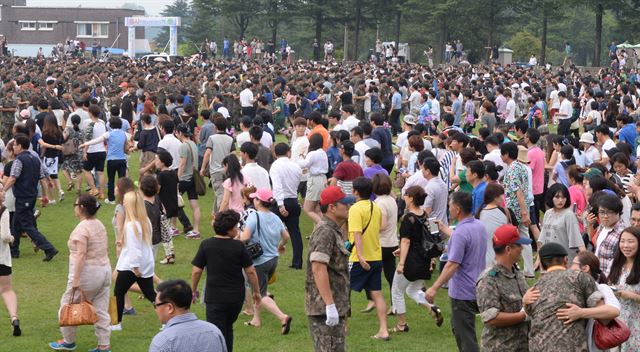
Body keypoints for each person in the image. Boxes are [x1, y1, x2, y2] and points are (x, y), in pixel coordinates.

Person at [191, 210, 261, 352]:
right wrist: (256, 292)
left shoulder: (206, 245)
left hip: (214, 297)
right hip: (235, 298)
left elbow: (197, 271)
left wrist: (194, 289)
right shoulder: (239, 246)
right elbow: (251, 271)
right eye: (236, 227)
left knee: (216, 332)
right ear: (229, 230)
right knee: (227, 328)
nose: (237, 229)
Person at [426, 191, 487, 352]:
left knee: (466, 338)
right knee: (461, 329)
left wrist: (434, 287)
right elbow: (465, 242)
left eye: (450, 205)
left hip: (462, 292)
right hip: (478, 286)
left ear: (457, 209)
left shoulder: (460, 233)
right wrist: (445, 229)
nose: (449, 208)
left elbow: (452, 264)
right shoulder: (479, 226)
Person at [49, 195, 111, 352]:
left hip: (88, 274)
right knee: (101, 309)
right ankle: (104, 345)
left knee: (66, 306)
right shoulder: (99, 224)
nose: (74, 207)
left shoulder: (82, 229)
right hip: (104, 271)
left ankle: (68, 342)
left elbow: (81, 255)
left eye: (75, 204)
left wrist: (75, 279)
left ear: (82, 207)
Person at [524, 243, 602, 352]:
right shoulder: (580, 277)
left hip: (539, 347)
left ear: (541, 264)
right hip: (572, 347)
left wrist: (524, 302)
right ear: (565, 260)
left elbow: (528, 315)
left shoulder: (534, 289)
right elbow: (602, 310)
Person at [305, 186, 353, 352]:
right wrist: (330, 305)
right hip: (324, 309)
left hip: (332, 306)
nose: (348, 207)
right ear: (332, 207)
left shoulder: (333, 230)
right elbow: (318, 268)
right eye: (344, 204)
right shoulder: (325, 231)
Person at [390, 185, 443, 333]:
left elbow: (406, 241)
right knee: (412, 290)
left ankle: (401, 325)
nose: (404, 196)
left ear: (411, 198)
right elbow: (433, 237)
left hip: (411, 261)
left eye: (406, 194)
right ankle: (431, 307)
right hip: (425, 261)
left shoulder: (408, 218)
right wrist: (433, 260)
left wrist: (401, 263)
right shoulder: (428, 215)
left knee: (397, 291)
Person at [240, 188, 292, 334]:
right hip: (273, 259)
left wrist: (236, 240)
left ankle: (283, 317)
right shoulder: (275, 217)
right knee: (259, 290)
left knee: (260, 294)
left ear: (258, 201)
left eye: (255, 198)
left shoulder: (254, 216)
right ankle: (256, 319)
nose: (253, 201)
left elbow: (245, 238)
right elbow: (286, 236)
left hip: (259, 261)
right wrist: (280, 246)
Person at [2, 134, 58, 261]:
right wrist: (44, 195)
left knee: (27, 226)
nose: (14, 147)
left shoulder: (19, 160)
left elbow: (13, 178)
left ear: (20, 146)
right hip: (31, 196)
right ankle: (14, 250)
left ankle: (49, 248)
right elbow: (42, 178)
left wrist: (3, 190)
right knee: (16, 224)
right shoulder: (35, 158)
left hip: (23, 197)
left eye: (15, 145)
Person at [475, 224, 531, 352]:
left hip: (522, 345)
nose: (522, 248)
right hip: (501, 347)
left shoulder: (516, 272)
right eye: (518, 245)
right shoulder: (489, 279)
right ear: (508, 249)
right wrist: (522, 316)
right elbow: (491, 318)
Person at [347, 177, 389, 340]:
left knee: (344, 292)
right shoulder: (375, 207)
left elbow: (357, 233)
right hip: (376, 255)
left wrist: (361, 256)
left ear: (355, 191)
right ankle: (383, 330)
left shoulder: (355, 209)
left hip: (359, 258)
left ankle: (343, 327)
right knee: (377, 294)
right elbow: (380, 227)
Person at [112, 191, 156, 331]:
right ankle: (168, 320)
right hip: (145, 264)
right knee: (150, 293)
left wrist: (135, 268)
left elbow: (134, 249)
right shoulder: (144, 221)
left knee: (118, 292)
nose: (123, 202)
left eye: (125, 201)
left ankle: (116, 323)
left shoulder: (131, 225)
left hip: (132, 266)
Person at [149, 279, 227, 352]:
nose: (156, 309)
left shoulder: (163, 341)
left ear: (169, 308)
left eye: (156, 305)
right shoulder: (214, 331)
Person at [500, 142, 534, 277]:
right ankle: (529, 270)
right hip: (522, 206)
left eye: (502, 153)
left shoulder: (512, 169)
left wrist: (524, 212)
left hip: (515, 208)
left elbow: (518, 191)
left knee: (512, 238)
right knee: (524, 237)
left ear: (507, 154)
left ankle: (514, 265)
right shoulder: (521, 166)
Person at [80, 117, 129, 204]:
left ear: (111, 125)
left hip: (112, 160)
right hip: (122, 160)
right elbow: (129, 142)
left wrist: (85, 144)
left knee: (111, 180)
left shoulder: (108, 134)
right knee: (122, 180)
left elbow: (96, 140)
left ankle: (111, 199)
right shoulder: (124, 134)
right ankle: (123, 199)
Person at [270, 143, 303, 269]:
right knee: (295, 232)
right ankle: (297, 262)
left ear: (275, 154)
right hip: (293, 200)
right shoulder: (295, 166)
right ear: (288, 152)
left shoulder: (275, 166)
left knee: (271, 231)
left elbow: (277, 186)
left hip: (281, 200)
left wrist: (280, 205)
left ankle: (269, 258)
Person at [607, 227, 640, 351]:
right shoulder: (615, 264)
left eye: (631, 241)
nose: (626, 245)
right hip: (616, 323)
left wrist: (632, 296)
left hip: (635, 323)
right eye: (622, 241)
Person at [538, 183, 585, 264]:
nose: (560, 200)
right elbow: (542, 240)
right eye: (557, 197)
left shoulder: (569, 215)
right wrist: (538, 261)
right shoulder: (548, 213)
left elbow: (578, 241)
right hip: (548, 259)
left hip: (565, 261)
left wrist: (586, 260)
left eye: (563, 197)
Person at [200, 117, 234, 213]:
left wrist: (203, 168)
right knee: (219, 192)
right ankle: (215, 213)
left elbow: (207, 153)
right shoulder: (230, 139)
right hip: (227, 170)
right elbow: (233, 154)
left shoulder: (212, 138)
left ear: (215, 127)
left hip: (215, 171)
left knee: (220, 194)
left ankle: (221, 217)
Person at [589, 194, 626, 276]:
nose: (605, 216)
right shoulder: (602, 226)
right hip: (597, 277)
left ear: (618, 213)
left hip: (609, 280)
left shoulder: (622, 234)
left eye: (610, 212)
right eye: (602, 212)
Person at [0, 188, 19, 337]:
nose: (4, 192)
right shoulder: (3, 211)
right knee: (6, 289)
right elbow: (5, 236)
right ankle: (14, 318)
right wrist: (12, 238)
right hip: (2, 258)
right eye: (1, 190)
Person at [176, 123, 201, 239]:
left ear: (180, 133)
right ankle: (196, 230)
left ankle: (174, 227)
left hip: (184, 178)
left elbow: (182, 164)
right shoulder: (193, 144)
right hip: (193, 178)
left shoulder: (183, 146)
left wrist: (176, 179)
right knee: (194, 205)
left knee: (172, 200)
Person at [477, 183, 510, 267]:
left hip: (482, 259)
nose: (503, 197)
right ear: (496, 197)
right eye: (502, 195)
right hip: (500, 258)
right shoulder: (502, 212)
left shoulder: (480, 213)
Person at [81, 105, 107, 199]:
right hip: (102, 150)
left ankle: (93, 188)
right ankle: (102, 192)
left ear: (90, 113)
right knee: (100, 172)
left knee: (86, 170)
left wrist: (84, 152)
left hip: (92, 151)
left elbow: (88, 140)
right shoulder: (102, 123)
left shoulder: (90, 125)